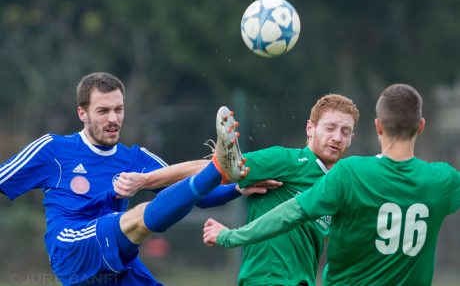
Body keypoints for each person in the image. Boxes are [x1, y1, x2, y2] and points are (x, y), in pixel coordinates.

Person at [0, 72, 276, 286]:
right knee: (138, 215)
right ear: (81, 113)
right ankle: (218, 165)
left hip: (118, 260)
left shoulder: (135, 158)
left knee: (137, 220)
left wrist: (239, 189)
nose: (113, 118)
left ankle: (220, 166)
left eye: (118, 109)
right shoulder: (53, 150)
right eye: (103, 111)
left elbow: (199, 199)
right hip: (71, 248)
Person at [203, 84, 460, 286]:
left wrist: (230, 236)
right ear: (421, 126)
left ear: (378, 127)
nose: (337, 137)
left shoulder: (352, 173)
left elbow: (290, 213)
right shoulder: (443, 180)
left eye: (344, 131)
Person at [217, 93, 359, 286]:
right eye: (330, 128)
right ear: (310, 128)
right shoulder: (286, 160)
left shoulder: (336, 187)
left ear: (351, 138)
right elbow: (217, 167)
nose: (337, 137)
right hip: (267, 280)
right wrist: (162, 177)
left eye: (345, 131)